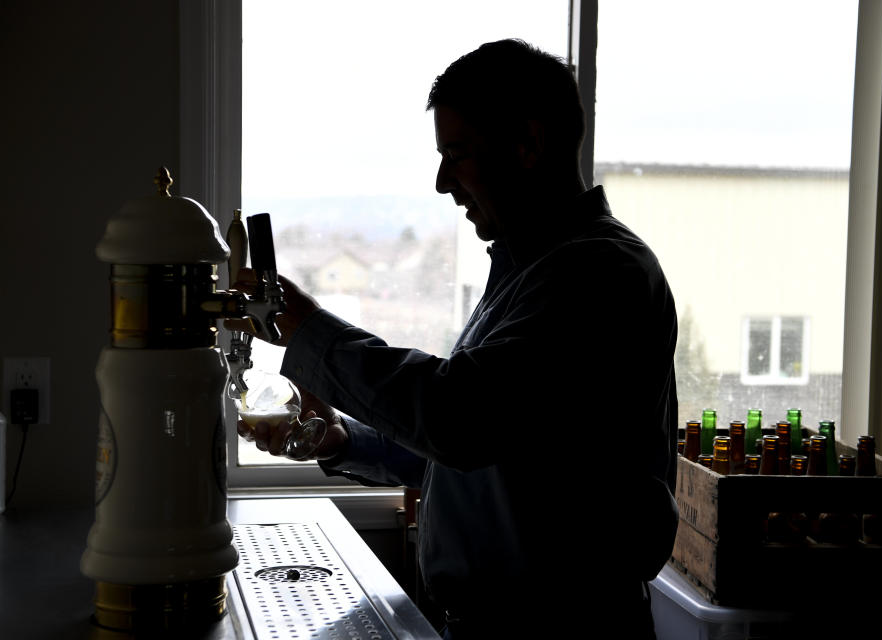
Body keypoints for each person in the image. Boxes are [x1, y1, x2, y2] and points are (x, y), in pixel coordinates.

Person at [235, 39, 678, 639]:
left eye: (457, 153)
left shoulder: (599, 274)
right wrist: (342, 439)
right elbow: (490, 455)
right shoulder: (527, 270)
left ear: (527, 144)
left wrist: (304, 328)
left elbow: (459, 418)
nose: (444, 182)